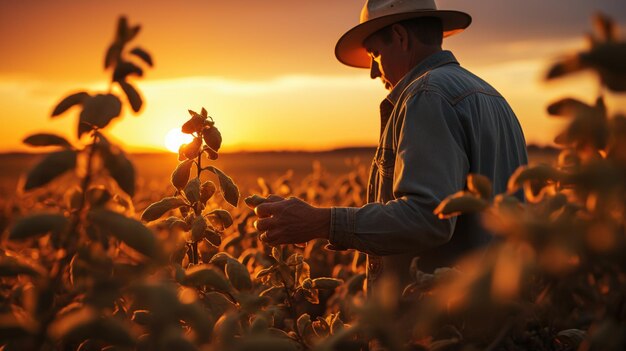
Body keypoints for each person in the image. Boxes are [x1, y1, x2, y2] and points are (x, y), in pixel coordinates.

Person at [251, 0, 528, 293]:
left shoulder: (426, 94)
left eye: (375, 54)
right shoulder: (492, 98)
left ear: (400, 37)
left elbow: (427, 218)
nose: (373, 71)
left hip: (447, 325)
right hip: (500, 319)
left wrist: (323, 222)